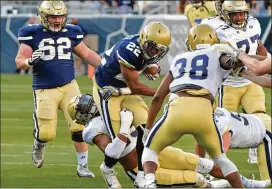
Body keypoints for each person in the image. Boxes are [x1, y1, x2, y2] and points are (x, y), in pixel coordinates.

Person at [68, 93, 271, 188]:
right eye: (85, 108)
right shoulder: (92, 129)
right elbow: (112, 152)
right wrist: (123, 126)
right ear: (81, 116)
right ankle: (219, 186)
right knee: (194, 179)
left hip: (154, 152)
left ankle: (248, 183)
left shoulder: (111, 109)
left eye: (89, 103)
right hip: (142, 171)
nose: (91, 107)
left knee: (201, 163)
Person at [141, 24, 245, 188]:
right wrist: (234, 60)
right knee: (221, 160)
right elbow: (227, 61)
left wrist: (147, 128)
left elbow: (158, 97)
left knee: (149, 150)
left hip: (178, 108)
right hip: (203, 111)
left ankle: (149, 183)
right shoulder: (218, 50)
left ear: (190, 42)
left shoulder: (180, 59)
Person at [15, 0, 101, 177]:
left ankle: (82, 166)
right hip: (45, 88)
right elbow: (20, 60)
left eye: (60, 16)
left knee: (80, 125)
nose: (57, 20)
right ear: (43, 17)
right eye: (52, 16)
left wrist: (107, 68)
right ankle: (39, 143)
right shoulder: (31, 33)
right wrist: (29, 62)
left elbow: (87, 54)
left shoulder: (71, 31)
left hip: (69, 85)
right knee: (47, 133)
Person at [92, 21, 171, 187]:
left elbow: (143, 66)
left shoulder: (144, 49)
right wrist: (163, 92)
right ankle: (107, 168)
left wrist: (150, 67)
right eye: (153, 48)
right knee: (121, 143)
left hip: (124, 90)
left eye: (158, 50)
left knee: (146, 131)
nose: (155, 52)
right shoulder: (129, 50)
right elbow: (135, 86)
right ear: (143, 41)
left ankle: (141, 175)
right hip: (107, 91)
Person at [201, 0, 268, 165]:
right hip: (228, 84)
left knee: (264, 125)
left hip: (251, 82)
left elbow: (259, 47)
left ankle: (267, 178)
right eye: (234, 14)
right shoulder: (213, 27)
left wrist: (267, 60)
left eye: (241, 13)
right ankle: (212, 171)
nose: (239, 18)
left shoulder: (253, 23)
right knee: (222, 131)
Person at [196, 107, 272, 182]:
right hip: (255, 119)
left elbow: (220, 160)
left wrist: (206, 178)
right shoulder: (211, 118)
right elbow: (200, 144)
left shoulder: (223, 127)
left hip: (264, 129)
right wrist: (197, 170)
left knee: (268, 180)